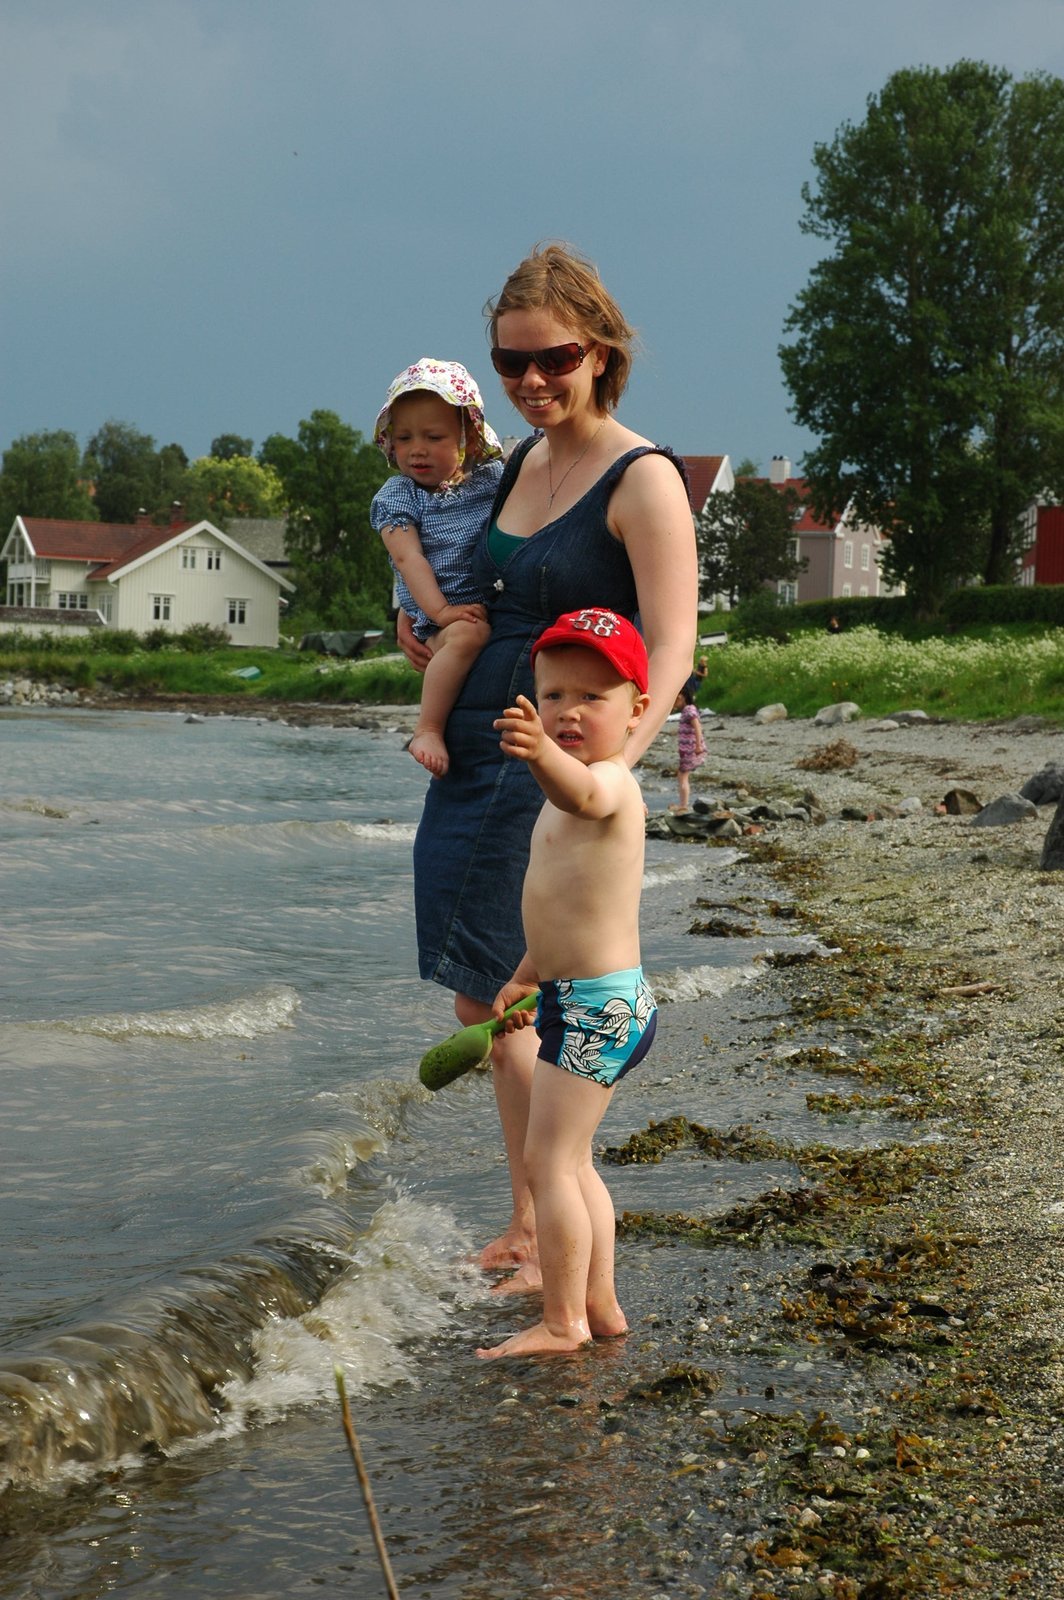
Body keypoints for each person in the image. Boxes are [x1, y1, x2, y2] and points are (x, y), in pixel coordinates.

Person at [398, 244, 698, 1288]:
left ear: (600, 352)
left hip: (550, 765)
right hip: (473, 750)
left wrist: (606, 782)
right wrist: (429, 627)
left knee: (515, 998)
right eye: (510, 362)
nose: (531, 380)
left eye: (553, 359)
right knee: (482, 995)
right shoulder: (519, 462)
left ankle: (539, 1229)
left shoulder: (642, 477)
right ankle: (535, 1219)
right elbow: (477, 578)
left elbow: (671, 648)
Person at [477, 608, 656, 1358]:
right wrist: (524, 977)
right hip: (581, 999)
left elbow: (580, 792)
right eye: (553, 696)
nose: (569, 712)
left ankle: (562, 1322)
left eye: (592, 697)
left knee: (549, 1163)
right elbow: (559, 910)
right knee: (574, 1163)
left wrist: (540, 751)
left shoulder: (607, 784)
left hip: (598, 1009)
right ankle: (599, 1306)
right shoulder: (562, 800)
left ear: (637, 711)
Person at [371, 359, 505, 776]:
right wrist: (440, 612)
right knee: (469, 634)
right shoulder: (399, 496)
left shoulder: (492, 479)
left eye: (433, 437)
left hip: (487, 599)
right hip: (438, 613)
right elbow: (408, 559)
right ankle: (428, 728)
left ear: (470, 439)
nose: (417, 449)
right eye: (404, 438)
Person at [670, 673, 707, 812]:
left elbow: (697, 727)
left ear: (681, 697)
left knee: (682, 776)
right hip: (687, 750)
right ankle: (683, 804)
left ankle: (683, 805)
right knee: (682, 775)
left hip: (691, 749)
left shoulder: (689, 710)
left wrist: (698, 746)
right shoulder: (688, 710)